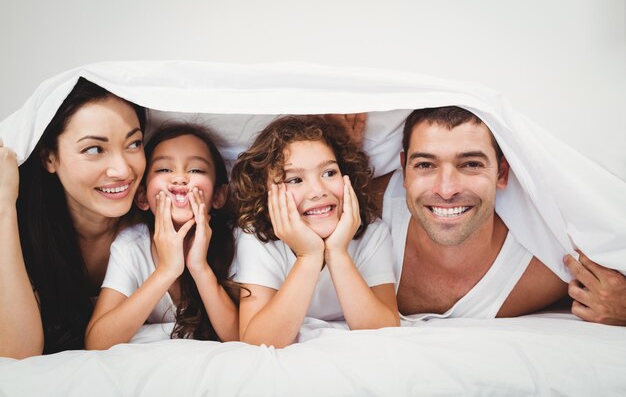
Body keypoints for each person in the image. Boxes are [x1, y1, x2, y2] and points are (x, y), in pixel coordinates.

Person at [0, 78, 147, 358]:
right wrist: (3, 206)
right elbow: (16, 353)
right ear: (49, 158)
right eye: (94, 149)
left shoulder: (157, 227)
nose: (122, 169)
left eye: (134, 143)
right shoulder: (24, 230)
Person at [381, 106, 570, 320]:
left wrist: (617, 308)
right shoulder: (367, 208)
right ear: (405, 170)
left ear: (501, 173)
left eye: (471, 164)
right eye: (425, 165)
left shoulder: (548, 270)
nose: (446, 190)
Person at [230, 115, 399, 348]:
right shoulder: (255, 238)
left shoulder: (371, 232)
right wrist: (308, 256)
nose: (318, 191)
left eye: (329, 173)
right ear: (265, 194)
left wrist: (337, 252)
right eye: (295, 179)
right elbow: (257, 341)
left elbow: (385, 332)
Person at [85, 123, 239, 349]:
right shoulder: (131, 247)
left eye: (196, 170)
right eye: (164, 170)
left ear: (218, 195)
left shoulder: (237, 240)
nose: (179, 179)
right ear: (142, 197)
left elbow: (242, 338)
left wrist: (200, 268)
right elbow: (96, 343)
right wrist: (166, 270)